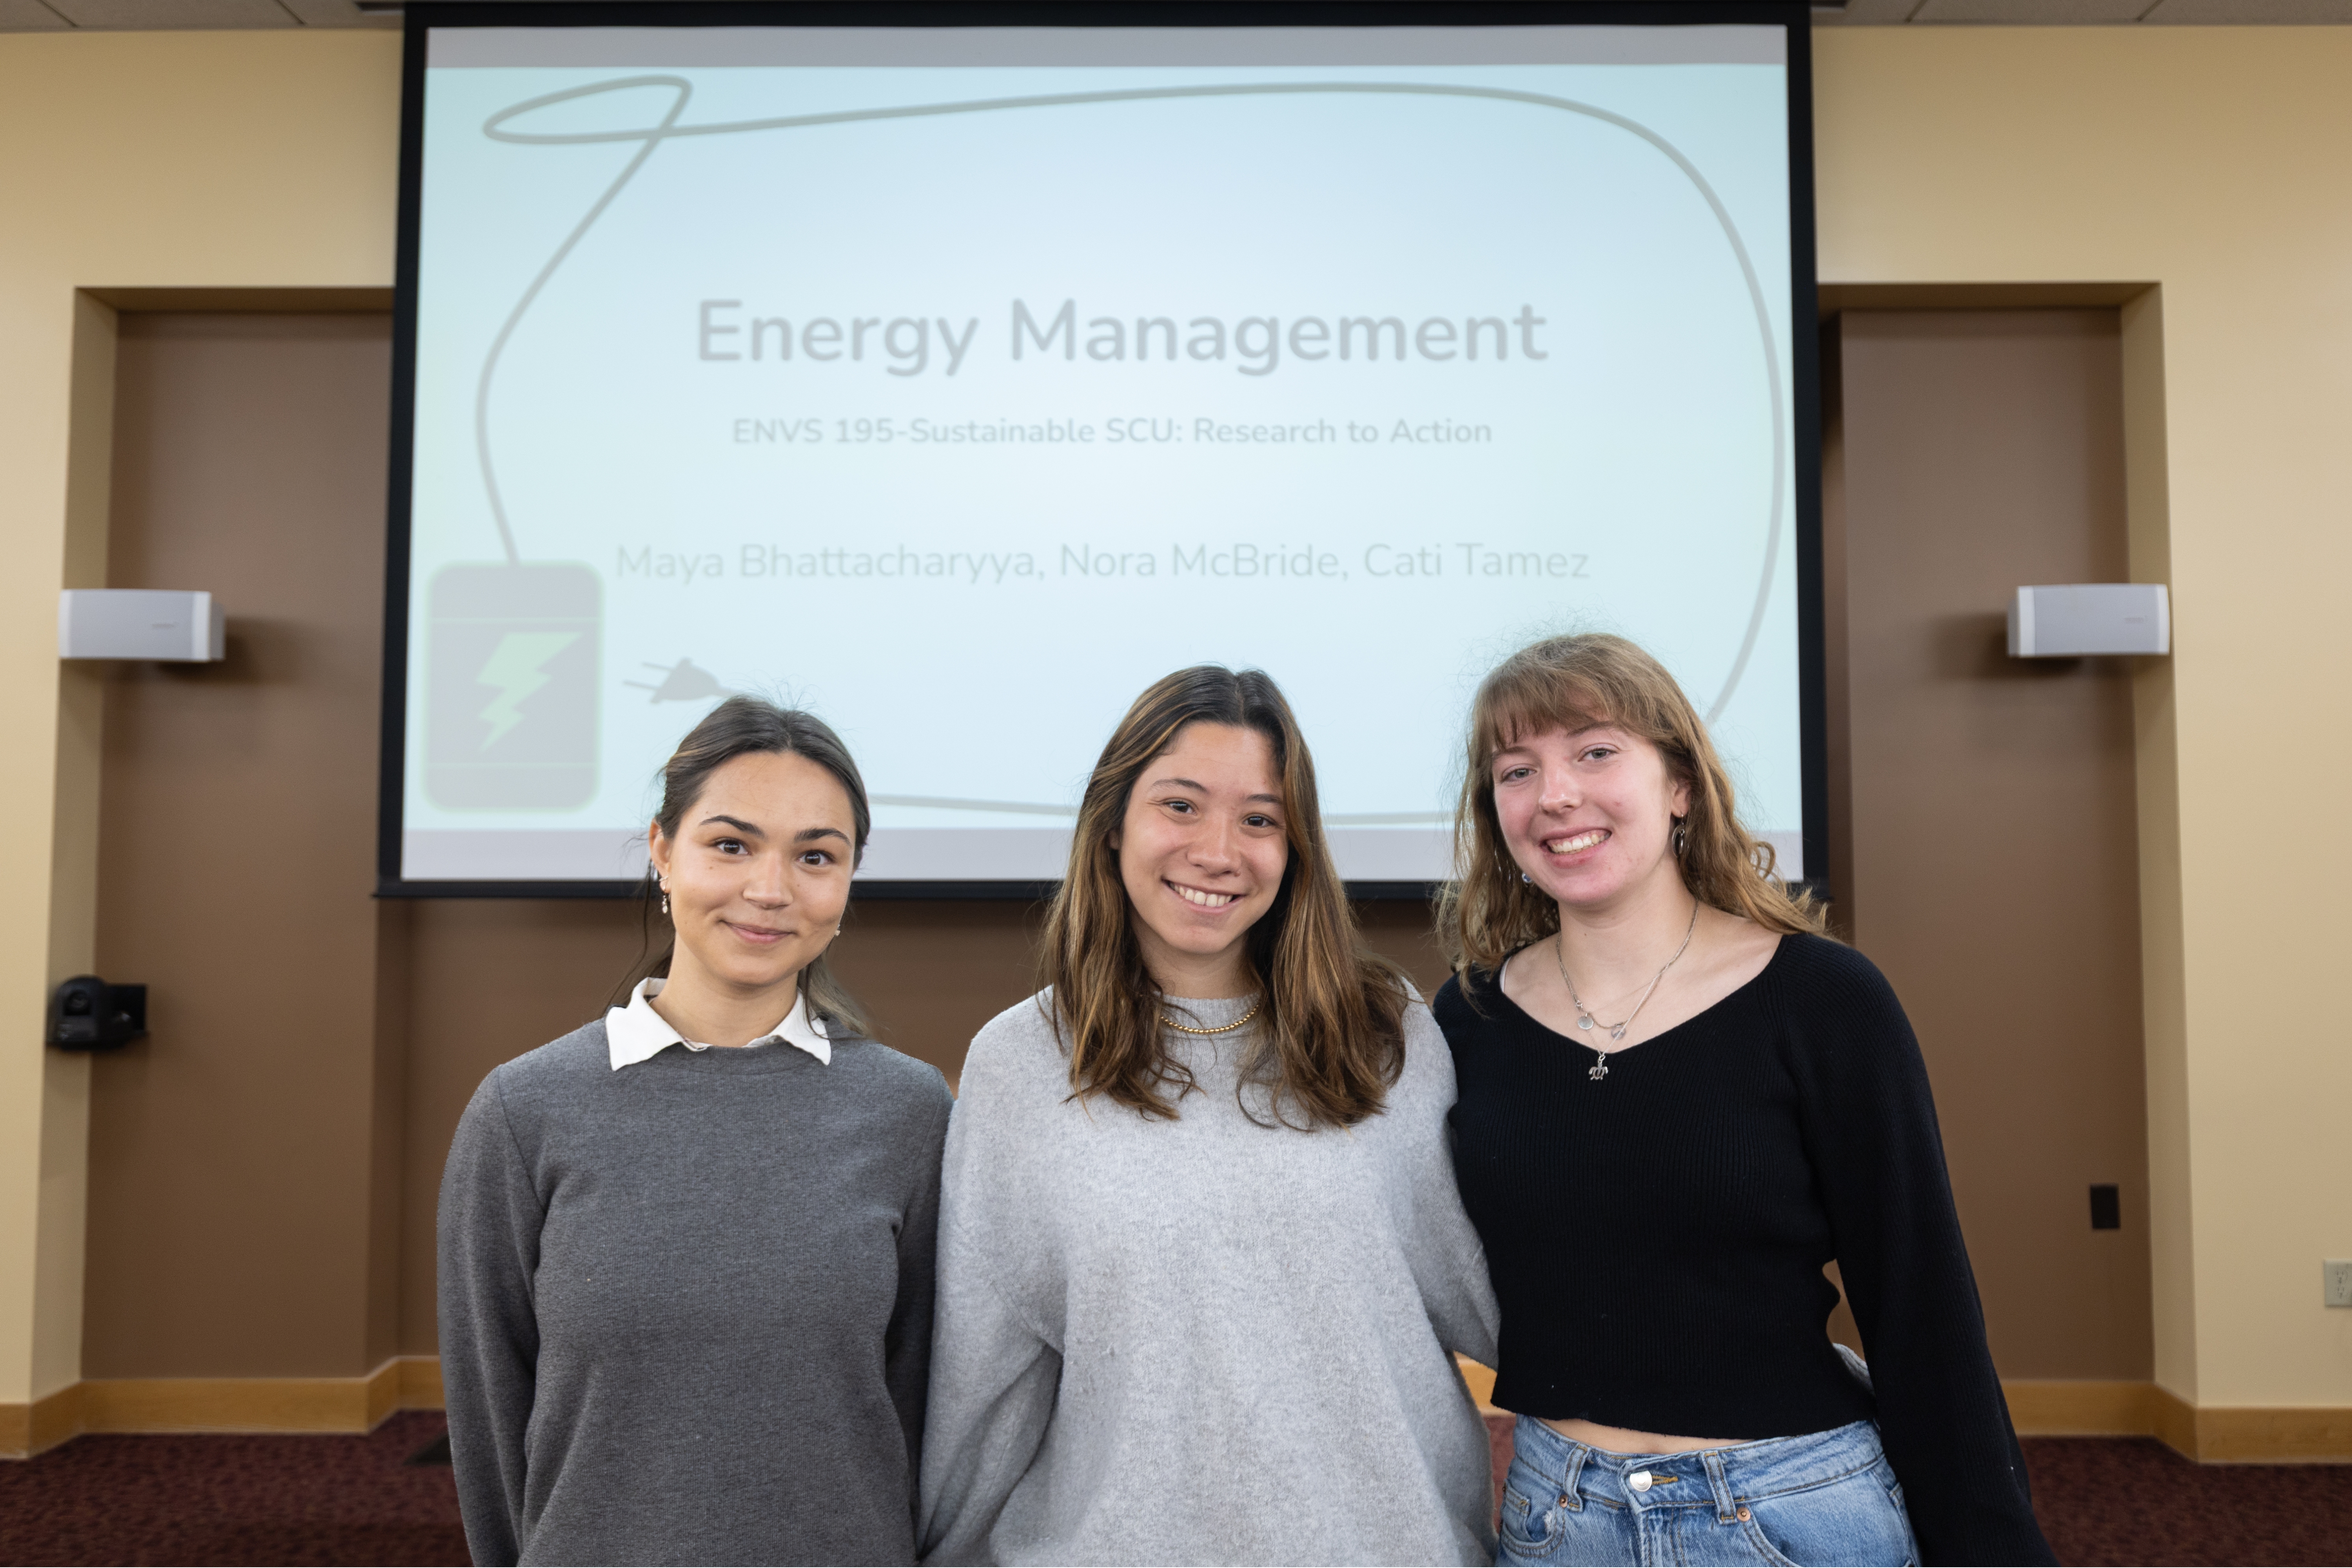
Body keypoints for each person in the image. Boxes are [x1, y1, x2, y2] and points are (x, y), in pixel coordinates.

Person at [1433, 633, 2054, 1567]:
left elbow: (1920, 1299)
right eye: (1517, 769)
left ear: (1680, 783)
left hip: (1785, 1508)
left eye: (1596, 752)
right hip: (1556, 1516)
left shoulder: (1825, 998)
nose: (1555, 794)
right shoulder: (1470, 1014)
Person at [919, 666, 1499, 1566]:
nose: (1219, 850)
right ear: (1112, 824)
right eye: (1181, 805)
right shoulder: (1022, 1060)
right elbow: (983, 1378)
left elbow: (1489, 1294)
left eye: (1260, 818)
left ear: (1296, 845)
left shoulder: (1386, 1032)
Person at [438, 697, 953, 1566]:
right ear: (662, 851)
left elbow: (922, 1407)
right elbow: (490, 1420)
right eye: (731, 844)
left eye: (816, 856)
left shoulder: (911, 1110)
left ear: (848, 881)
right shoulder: (523, 1111)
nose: (771, 888)